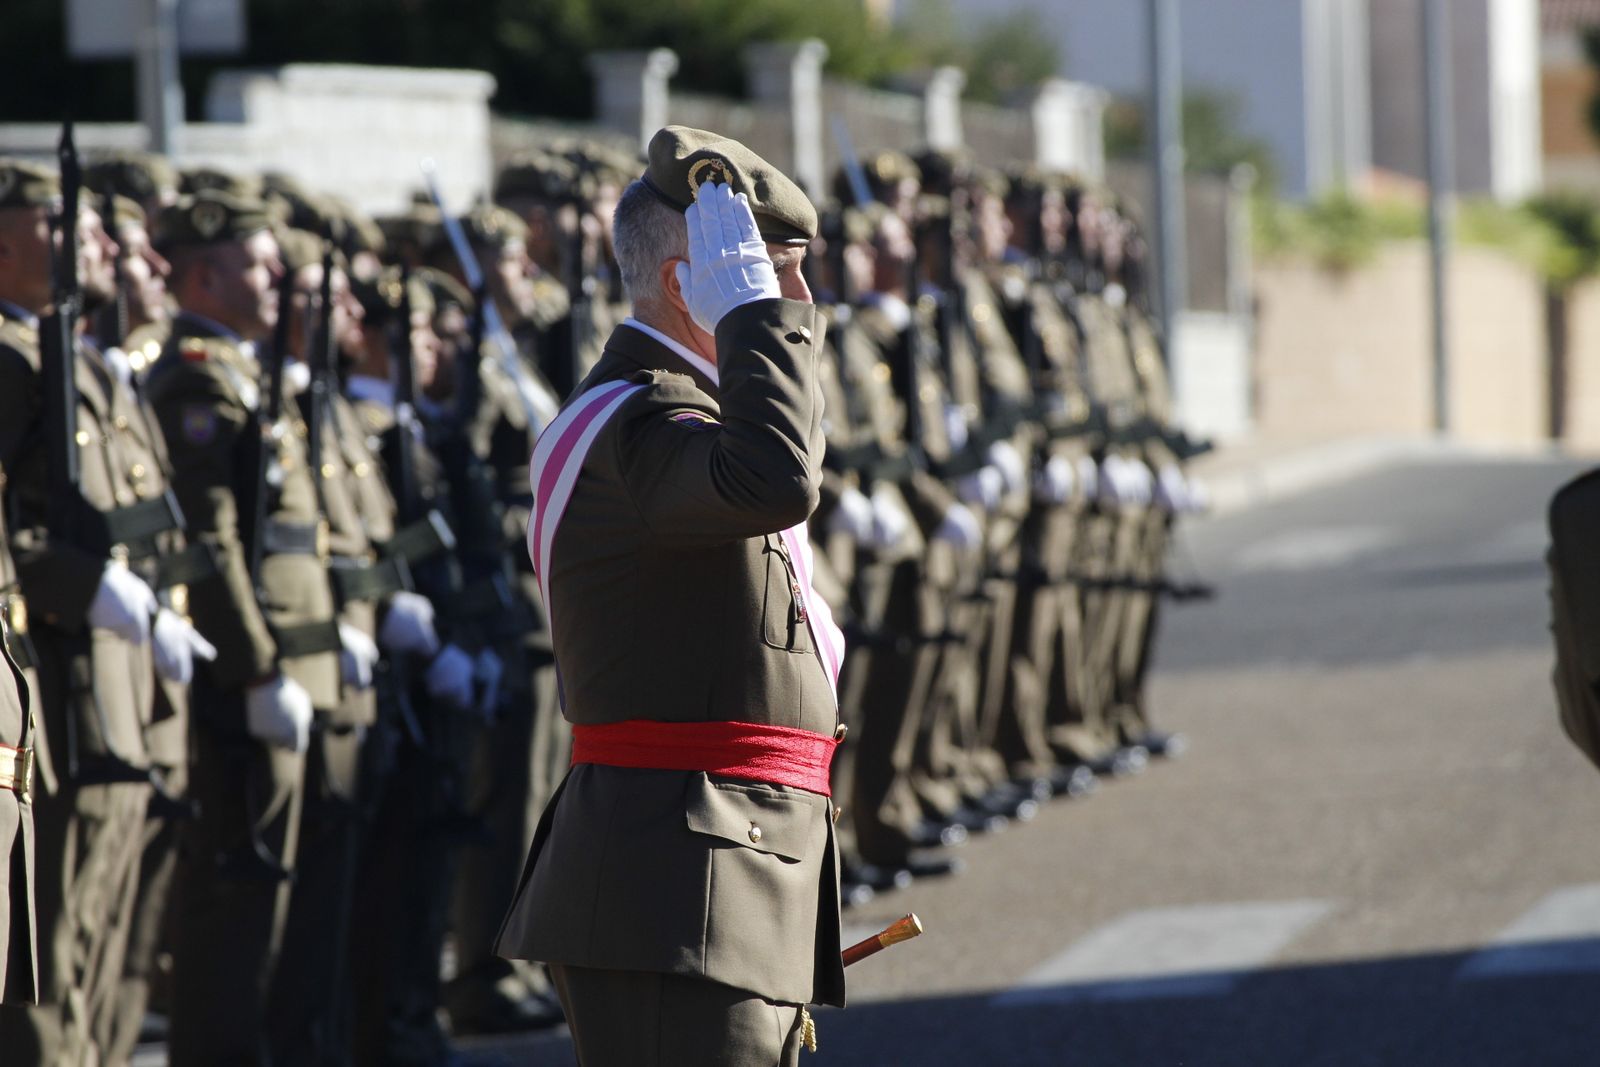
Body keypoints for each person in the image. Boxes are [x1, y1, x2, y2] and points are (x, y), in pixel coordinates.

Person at [494, 126, 847, 1065]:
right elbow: (777, 480)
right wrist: (754, 323)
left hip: (715, 869)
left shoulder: (685, 410)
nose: (799, 301)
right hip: (675, 882)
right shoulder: (645, 417)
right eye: (769, 271)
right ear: (691, 281)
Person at [142, 190, 342, 1065]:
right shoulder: (195, 378)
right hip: (246, 676)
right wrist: (257, 669)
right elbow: (212, 540)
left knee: (274, 898)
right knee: (236, 895)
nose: (275, 280)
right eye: (258, 266)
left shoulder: (239, 371)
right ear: (206, 277)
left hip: (288, 664)